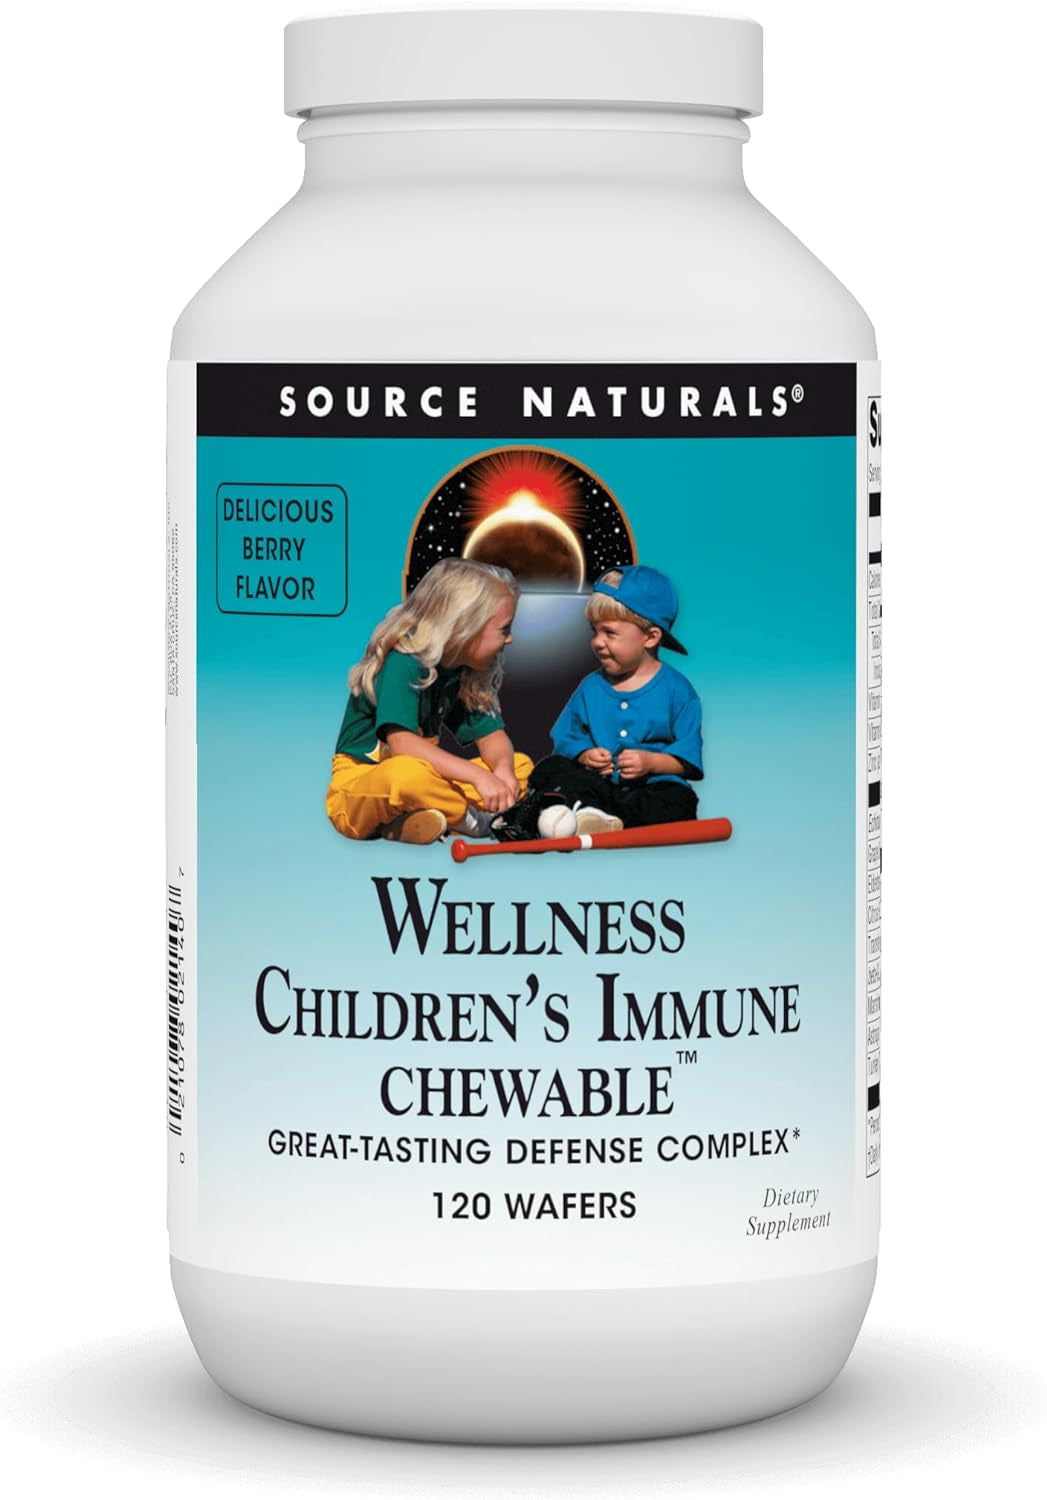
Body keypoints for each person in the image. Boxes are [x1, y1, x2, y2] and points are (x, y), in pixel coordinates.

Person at [326, 557, 532, 844]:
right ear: (465, 627)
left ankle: (414, 821)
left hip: (424, 778)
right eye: (504, 629)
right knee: (407, 776)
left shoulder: (459, 670)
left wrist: (503, 770)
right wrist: (478, 776)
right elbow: (402, 745)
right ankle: (477, 823)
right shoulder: (403, 661)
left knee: (522, 766)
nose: (509, 640)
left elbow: (492, 737)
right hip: (360, 784)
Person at [492, 565, 702, 841]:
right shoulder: (591, 686)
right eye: (594, 631)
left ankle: (592, 818)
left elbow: (687, 760)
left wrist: (652, 762)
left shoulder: (678, 691)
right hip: (598, 785)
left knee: (679, 801)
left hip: (653, 786)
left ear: (650, 637)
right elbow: (567, 737)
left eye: (609, 633)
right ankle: (571, 817)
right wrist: (584, 755)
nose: (597, 642)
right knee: (549, 769)